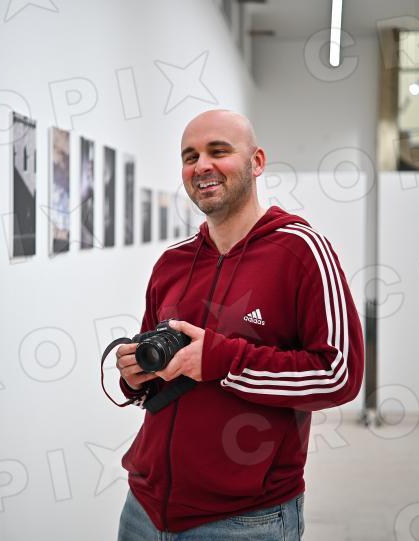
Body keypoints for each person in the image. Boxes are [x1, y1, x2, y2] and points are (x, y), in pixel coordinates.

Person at [115, 109, 364, 540]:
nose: (201, 166)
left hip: (244, 519)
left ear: (257, 162)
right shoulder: (172, 263)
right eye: (190, 156)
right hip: (144, 508)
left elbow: (339, 374)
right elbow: (160, 372)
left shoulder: (303, 251)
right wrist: (136, 376)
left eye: (218, 151)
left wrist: (221, 361)